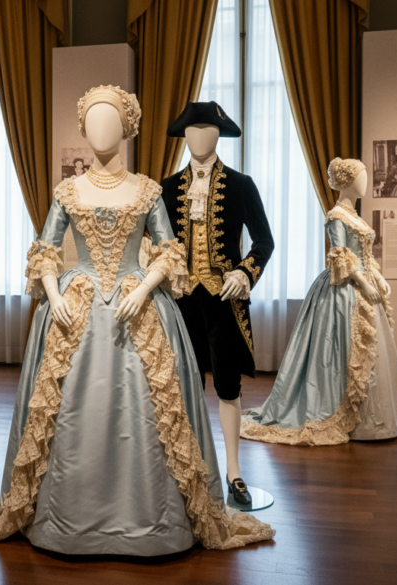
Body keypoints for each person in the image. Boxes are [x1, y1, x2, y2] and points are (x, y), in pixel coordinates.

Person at [0, 86, 274, 555]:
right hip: (75, 307)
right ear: (84, 127)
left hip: (151, 303)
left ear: (127, 128)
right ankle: (65, 513)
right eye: (94, 120)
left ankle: (190, 493)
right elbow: (44, 249)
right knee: (69, 410)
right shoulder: (73, 190)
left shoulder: (154, 189)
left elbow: (168, 250)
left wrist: (145, 286)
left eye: (111, 120)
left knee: (188, 396)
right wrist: (52, 290)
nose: (102, 128)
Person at [240, 158, 397, 445]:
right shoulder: (336, 216)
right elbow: (340, 255)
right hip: (343, 289)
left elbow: (366, 256)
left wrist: (379, 279)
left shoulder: (355, 216)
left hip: (364, 284)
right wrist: (361, 282)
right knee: (340, 352)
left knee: (369, 353)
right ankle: (344, 413)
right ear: (346, 181)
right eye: (361, 177)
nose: (365, 183)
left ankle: (375, 418)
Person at [160, 101, 275, 508]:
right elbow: (156, 245)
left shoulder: (242, 185)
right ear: (184, 136)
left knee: (228, 385)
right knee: (183, 385)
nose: (199, 136)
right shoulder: (168, 187)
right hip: (179, 303)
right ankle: (189, 465)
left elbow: (264, 242)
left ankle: (234, 471)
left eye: (207, 129)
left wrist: (244, 273)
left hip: (224, 301)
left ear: (219, 135)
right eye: (192, 130)